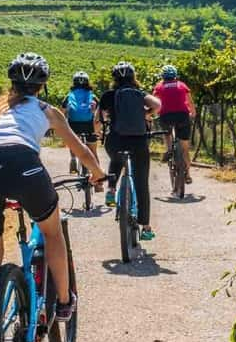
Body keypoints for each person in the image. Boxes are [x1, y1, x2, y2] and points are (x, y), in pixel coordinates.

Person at [0, 53, 106, 322]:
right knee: (52, 233)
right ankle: (65, 302)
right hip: (23, 165)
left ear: (11, 82)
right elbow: (82, 152)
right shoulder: (47, 111)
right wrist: (98, 175)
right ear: (42, 86)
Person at [98, 62, 161, 241]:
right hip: (139, 142)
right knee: (141, 183)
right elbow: (157, 104)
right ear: (134, 78)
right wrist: (146, 114)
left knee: (116, 158)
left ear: (114, 79)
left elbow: (99, 118)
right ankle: (146, 227)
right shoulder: (139, 94)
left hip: (115, 140)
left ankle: (111, 188)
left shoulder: (109, 95)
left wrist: (102, 127)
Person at [153, 65, 196, 184]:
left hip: (166, 116)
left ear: (163, 76)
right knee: (185, 148)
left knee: (167, 133)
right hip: (182, 116)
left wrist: (152, 115)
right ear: (175, 76)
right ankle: (187, 174)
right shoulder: (182, 85)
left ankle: (169, 149)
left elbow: (155, 103)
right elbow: (190, 101)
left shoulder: (159, 86)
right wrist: (193, 113)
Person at [62, 71, 100, 173]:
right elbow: (99, 110)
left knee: (73, 142)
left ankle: (73, 158)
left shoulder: (70, 95)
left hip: (74, 124)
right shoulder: (92, 95)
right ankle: (98, 182)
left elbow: (63, 110)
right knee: (93, 151)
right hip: (89, 125)